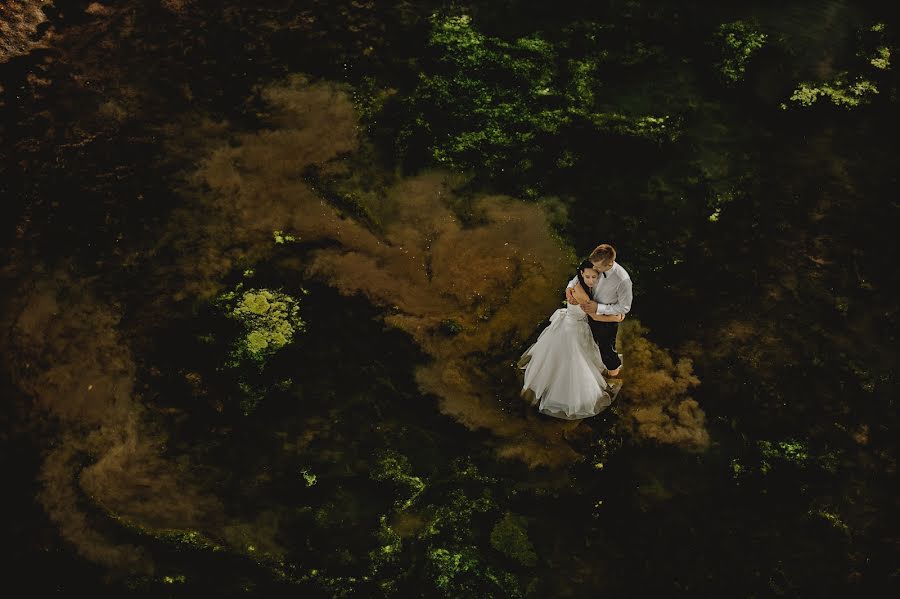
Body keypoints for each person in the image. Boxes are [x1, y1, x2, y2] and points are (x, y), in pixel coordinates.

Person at [519, 260, 625, 420]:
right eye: (588, 277)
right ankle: (565, 394)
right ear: (582, 274)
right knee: (573, 360)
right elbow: (595, 315)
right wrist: (618, 317)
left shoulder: (579, 283)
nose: (591, 280)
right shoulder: (581, 292)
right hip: (573, 327)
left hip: (577, 324)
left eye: (594, 277)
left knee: (582, 354)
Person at [565, 244, 632, 377]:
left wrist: (599, 308)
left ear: (609, 264)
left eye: (598, 268)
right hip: (587, 312)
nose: (594, 269)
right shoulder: (594, 264)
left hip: (606, 318)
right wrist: (568, 288)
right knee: (592, 344)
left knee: (606, 348)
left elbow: (625, 307)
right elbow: (579, 276)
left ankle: (613, 374)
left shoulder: (623, 280)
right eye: (593, 265)